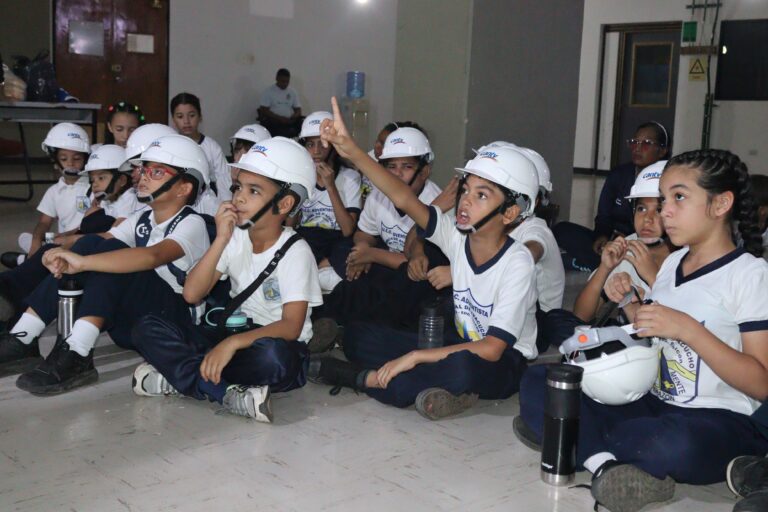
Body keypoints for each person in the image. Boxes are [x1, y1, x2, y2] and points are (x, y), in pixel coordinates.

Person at [516, 150, 768, 512]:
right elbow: (659, 339)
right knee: (543, 382)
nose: (665, 211)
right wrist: (632, 306)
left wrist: (687, 329)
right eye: (664, 199)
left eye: (679, 197)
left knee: (667, 443)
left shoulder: (750, 274)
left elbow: (761, 383)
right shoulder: (673, 263)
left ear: (721, 203)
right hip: (655, 402)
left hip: (719, 417)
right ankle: (606, 464)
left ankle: (575, 440)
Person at [311, 98, 539, 420]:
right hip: (459, 341)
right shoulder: (457, 237)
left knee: (460, 368)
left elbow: (491, 348)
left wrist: (417, 356)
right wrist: (351, 151)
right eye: (467, 190)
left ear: (511, 212)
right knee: (360, 336)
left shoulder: (518, 262)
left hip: (500, 360)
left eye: (482, 195)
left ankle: (363, 379)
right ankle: (434, 389)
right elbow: (403, 197)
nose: (465, 201)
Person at [0, 134, 212, 394]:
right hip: (132, 322)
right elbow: (100, 241)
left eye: (157, 172)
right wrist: (58, 252)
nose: (143, 176)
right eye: (144, 170)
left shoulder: (192, 222)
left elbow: (152, 256)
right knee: (91, 246)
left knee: (115, 256)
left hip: (172, 323)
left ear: (184, 188)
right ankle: (24, 335)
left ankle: (78, 351)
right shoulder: (142, 217)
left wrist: (83, 261)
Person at [130, 136, 322, 422]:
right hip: (230, 336)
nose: (239, 198)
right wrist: (221, 238)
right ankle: (223, 391)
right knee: (146, 327)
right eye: (238, 187)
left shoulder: (297, 252)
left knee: (274, 359)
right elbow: (192, 294)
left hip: (272, 343)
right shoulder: (235, 238)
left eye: (254, 191)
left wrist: (230, 346)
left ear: (285, 204)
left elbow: (291, 327)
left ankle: (181, 378)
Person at [311, 125, 445, 333]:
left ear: (425, 170)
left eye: (407, 167)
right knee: (345, 251)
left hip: (412, 276)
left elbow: (417, 264)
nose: (397, 174)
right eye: (391, 167)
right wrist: (361, 250)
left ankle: (352, 324)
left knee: (393, 285)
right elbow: (364, 232)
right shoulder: (379, 195)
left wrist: (370, 255)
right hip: (384, 260)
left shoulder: (436, 203)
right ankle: (325, 321)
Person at [542, 160, 674, 347]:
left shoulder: (685, 255)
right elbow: (581, 316)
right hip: (631, 338)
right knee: (556, 320)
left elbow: (688, 321)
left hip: (669, 348)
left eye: (658, 210)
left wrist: (651, 275)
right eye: (641, 208)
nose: (647, 219)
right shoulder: (628, 247)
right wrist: (605, 268)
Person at [554, 121, 671, 271]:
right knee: (562, 229)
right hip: (613, 241)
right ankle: (601, 263)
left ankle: (594, 265)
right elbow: (604, 216)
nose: (637, 148)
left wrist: (629, 237)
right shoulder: (619, 174)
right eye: (634, 142)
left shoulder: (669, 178)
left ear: (662, 150)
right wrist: (602, 236)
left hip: (650, 241)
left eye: (646, 143)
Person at [1, 123, 92, 269]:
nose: (70, 163)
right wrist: (36, 240)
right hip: (61, 243)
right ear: (55, 160)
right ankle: (38, 256)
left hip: (82, 242)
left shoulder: (92, 186)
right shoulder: (53, 191)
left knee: (56, 253)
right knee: (28, 239)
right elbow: (44, 222)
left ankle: (27, 261)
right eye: (64, 158)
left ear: (85, 159)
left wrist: (65, 237)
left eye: (77, 158)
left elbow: (92, 223)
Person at [288, 111, 361, 274]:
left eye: (322, 143)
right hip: (306, 236)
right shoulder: (298, 177)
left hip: (337, 238)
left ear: (334, 146)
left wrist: (331, 187)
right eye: (310, 145)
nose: (316, 151)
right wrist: (298, 187)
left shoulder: (350, 177)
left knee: (347, 252)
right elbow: (288, 227)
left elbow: (348, 230)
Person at [170, 92, 230, 206]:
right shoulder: (169, 146)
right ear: (173, 119)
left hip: (206, 204)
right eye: (180, 116)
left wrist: (225, 205)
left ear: (200, 116)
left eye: (192, 115)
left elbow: (224, 178)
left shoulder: (212, 147)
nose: (186, 121)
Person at [257, 68, 303, 138]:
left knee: (302, 124)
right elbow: (264, 109)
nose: (285, 84)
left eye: (287, 82)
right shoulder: (269, 91)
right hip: (274, 121)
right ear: (277, 78)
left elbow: (298, 109)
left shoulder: (292, 92)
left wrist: (295, 116)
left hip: (288, 120)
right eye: (283, 81)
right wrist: (280, 118)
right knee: (278, 128)